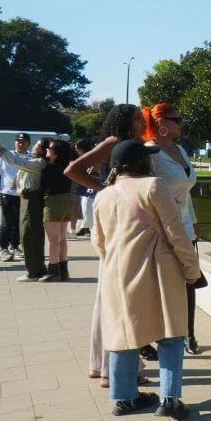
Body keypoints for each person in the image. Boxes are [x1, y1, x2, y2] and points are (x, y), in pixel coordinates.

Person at [93, 139, 201, 420]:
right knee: (171, 335)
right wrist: (191, 270)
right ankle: (169, 398)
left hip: (117, 273)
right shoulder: (154, 186)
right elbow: (175, 231)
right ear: (143, 161)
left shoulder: (103, 195)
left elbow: (98, 242)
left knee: (124, 335)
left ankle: (124, 398)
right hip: (158, 270)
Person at [65, 104, 148, 383]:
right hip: (116, 221)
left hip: (126, 220)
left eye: (141, 117)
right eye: (136, 118)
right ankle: (112, 367)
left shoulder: (136, 145)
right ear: (123, 121)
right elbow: (73, 169)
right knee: (116, 296)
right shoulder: (115, 143)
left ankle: (106, 364)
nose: (141, 121)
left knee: (113, 295)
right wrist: (104, 188)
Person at [142, 103, 203, 354]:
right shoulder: (149, 153)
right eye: (177, 119)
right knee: (160, 285)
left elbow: (186, 191)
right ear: (162, 124)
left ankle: (189, 333)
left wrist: (194, 222)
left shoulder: (180, 150)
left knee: (191, 280)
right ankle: (153, 336)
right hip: (162, 228)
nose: (181, 124)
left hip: (186, 226)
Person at [0, 133, 50, 281]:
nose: (33, 145)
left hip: (30, 200)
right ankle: (35, 267)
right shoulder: (36, 159)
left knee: (27, 233)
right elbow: (2, 170)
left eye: (37, 145)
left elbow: (16, 162)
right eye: (18, 141)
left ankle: (34, 271)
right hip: (15, 196)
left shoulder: (38, 161)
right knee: (15, 226)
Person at [39, 139, 78, 281]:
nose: (47, 150)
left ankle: (53, 270)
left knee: (54, 240)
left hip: (53, 202)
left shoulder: (50, 167)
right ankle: (63, 269)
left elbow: (42, 187)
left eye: (50, 149)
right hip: (67, 201)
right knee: (62, 238)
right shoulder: (68, 166)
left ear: (57, 153)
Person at [0, 133, 29, 261]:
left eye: (23, 142)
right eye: (18, 141)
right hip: (7, 194)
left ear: (28, 144)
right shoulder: (5, 155)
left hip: (24, 195)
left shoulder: (31, 157)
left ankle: (14, 246)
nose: (20, 144)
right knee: (6, 222)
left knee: (19, 222)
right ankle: (3, 248)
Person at [70, 139, 95, 238]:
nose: (76, 150)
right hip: (80, 187)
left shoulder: (89, 158)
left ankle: (87, 228)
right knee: (81, 209)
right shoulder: (79, 158)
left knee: (86, 209)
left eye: (77, 148)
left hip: (86, 187)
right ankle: (82, 228)